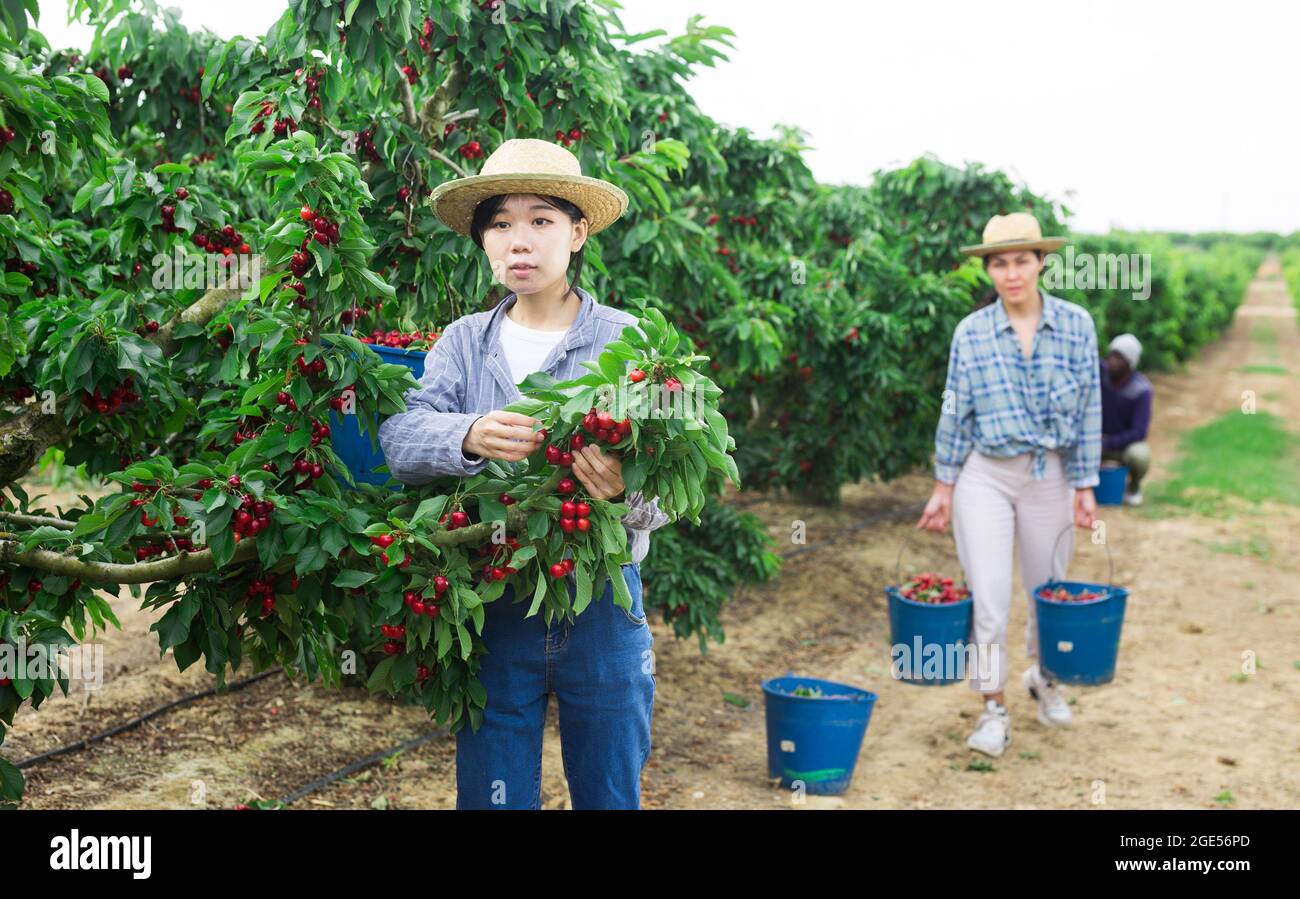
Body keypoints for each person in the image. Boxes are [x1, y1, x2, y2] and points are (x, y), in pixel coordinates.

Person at [377, 138, 671, 809]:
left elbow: (670, 492)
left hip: (603, 600)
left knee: (609, 789)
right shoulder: (460, 342)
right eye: (501, 223)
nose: (520, 241)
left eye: (541, 220)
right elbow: (399, 437)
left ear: (578, 231)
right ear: (483, 241)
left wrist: (627, 488)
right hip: (494, 597)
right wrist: (469, 433)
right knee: (494, 790)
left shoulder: (631, 345)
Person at [916, 213, 1101, 758]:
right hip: (986, 476)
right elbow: (955, 411)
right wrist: (943, 485)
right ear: (988, 269)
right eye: (1000, 262)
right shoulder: (971, 334)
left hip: (1051, 474)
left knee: (1049, 591)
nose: (1012, 272)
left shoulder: (1075, 325)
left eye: (1022, 260)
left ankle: (1044, 677)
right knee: (990, 600)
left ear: (1042, 262)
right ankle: (993, 707)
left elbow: (1090, 408)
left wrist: (1085, 484)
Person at [1100, 333, 1152, 505]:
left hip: (1121, 445)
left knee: (1140, 455)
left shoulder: (1141, 390)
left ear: (1129, 363)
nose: (1111, 361)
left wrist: (1108, 443)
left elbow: (1139, 432)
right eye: (1111, 355)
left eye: (1118, 357)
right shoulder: (1101, 376)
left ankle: (1133, 486)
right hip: (1095, 440)